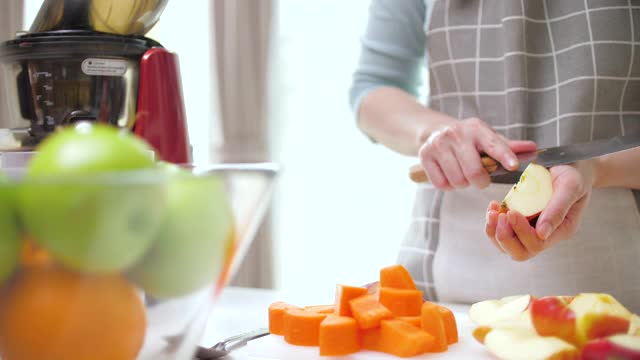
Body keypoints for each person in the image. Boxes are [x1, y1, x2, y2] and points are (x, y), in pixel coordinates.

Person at [350, 0, 640, 312]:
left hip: (620, 303)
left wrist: (598, 168)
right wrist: (433, 133)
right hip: (442, 292)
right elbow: (374, 88)